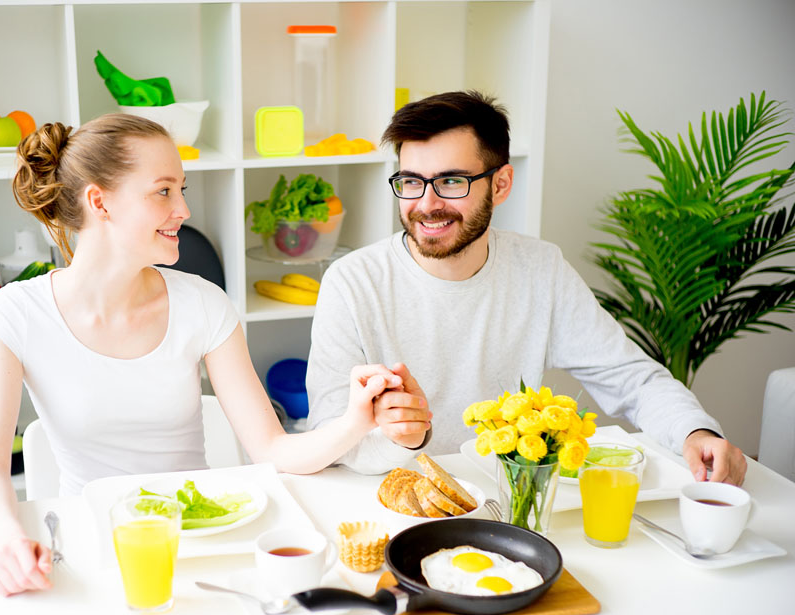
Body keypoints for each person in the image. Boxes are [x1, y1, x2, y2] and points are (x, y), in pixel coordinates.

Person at [0, 113, 404, 596]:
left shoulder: (202, 303)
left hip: (203, 544)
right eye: (164, 191)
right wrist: (8, 539)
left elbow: (273, 450)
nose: (184, 210)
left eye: (182, 190)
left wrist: (358, 422)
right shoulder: (15, 314)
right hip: (90, 548)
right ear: (99, 201)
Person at [306, 90, 747, 487]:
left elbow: (628, 376)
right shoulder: (352, 282)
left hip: (511, 500)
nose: (426, 204)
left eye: (451, 182)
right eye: (410, 182)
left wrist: (695, 430)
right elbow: (326, 437)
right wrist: (403, 439)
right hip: (384, 499)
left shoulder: (540, 269)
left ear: (501, 185)